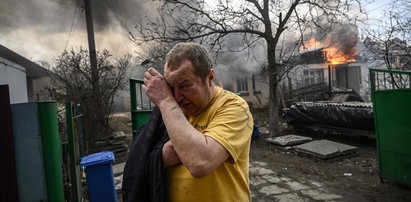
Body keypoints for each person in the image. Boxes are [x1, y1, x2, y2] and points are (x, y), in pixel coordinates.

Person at [143, 42, 253, 201]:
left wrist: (166, 101)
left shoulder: (234, 107)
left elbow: (200, 163)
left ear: (210, 77)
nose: (177, 96)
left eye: (184, 86)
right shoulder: (173, 108)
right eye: (170, 88)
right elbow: (141, 159)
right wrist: (161, 159)